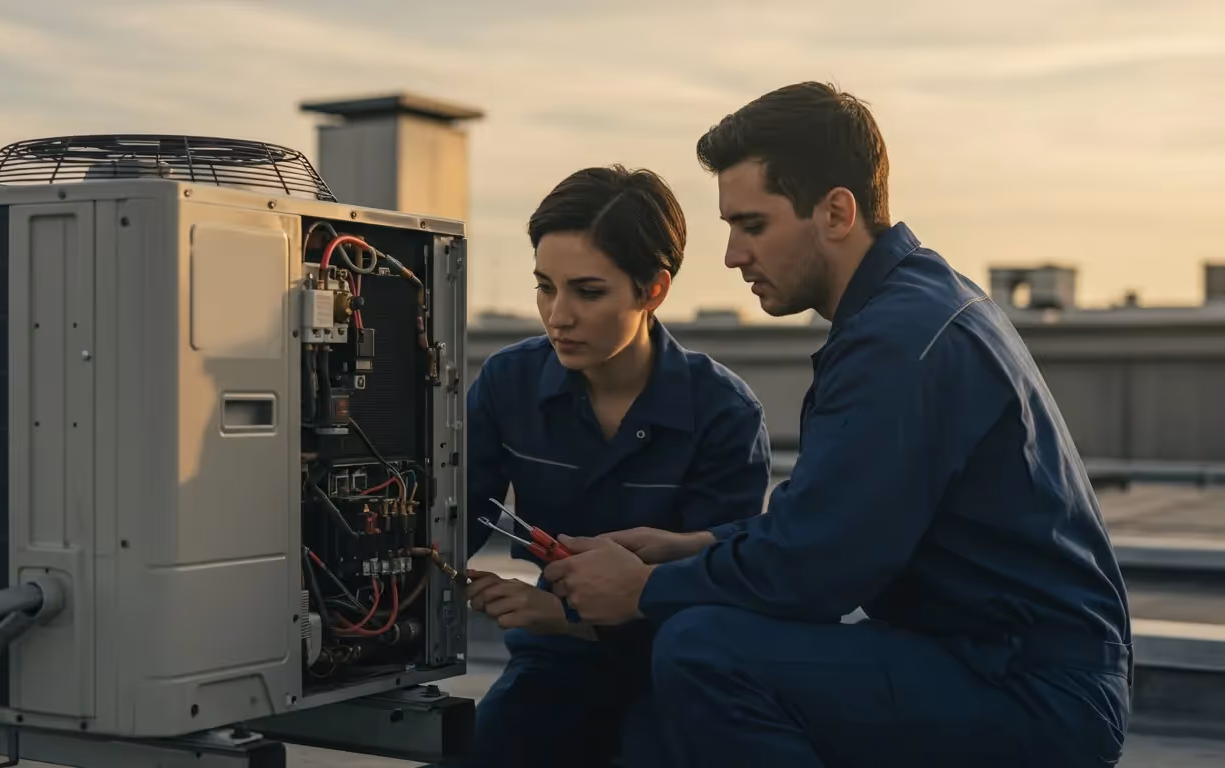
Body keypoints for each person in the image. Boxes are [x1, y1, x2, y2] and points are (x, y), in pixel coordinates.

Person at [544, 83, 1133, 767]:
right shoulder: (910, 305)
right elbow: (833, 523)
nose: (733, 254)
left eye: (752, 225)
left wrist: (642, 590)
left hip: (1033, 693)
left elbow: (815, 574)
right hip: (1000, 663)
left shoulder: (898, 340)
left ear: (836, 212)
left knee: (704, 650)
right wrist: (692, 546)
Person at [454, 165, 773, 768]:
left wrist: (565, 616)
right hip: (552, 663)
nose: (558, 315)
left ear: (654, 289)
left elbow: (719, 598)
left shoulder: (724, 412)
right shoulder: (507, 383)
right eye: (544, 286)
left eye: (587, 291)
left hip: (674, 670)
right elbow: (453, 519)